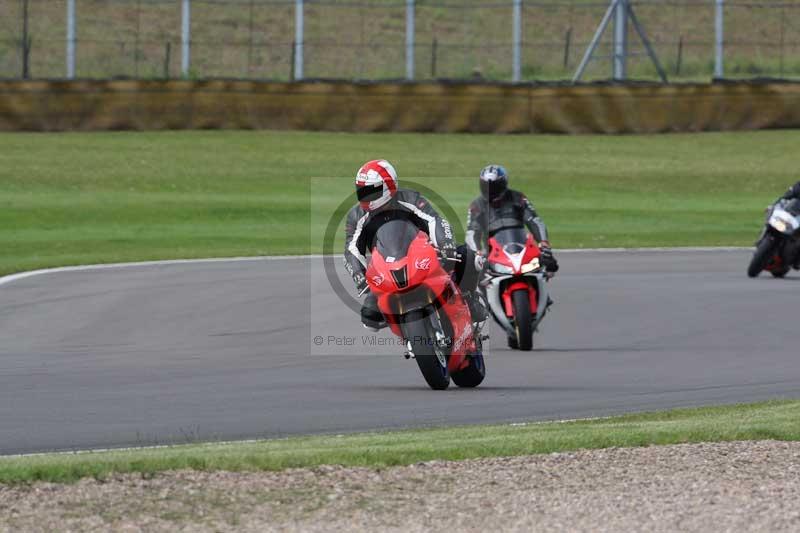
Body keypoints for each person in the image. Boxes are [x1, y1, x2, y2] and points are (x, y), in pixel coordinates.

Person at [343, 159, 486, 331]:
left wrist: (446, 244)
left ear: (388, 186)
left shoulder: (410, 198)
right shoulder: (356, 215)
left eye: (370, 191)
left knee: (468, 256)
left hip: (422, 253)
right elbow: (351, 248)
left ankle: (469, 298)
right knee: (369, 317)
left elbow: (434, 220)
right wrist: (359, 275)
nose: (366, 197)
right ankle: (407, 332)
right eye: (362, 191)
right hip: (386, 267)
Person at [465, 164, 559, 273]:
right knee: (472, 277)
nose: (490, 190)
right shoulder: (476, 206)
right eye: (486, 186)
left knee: (547, 266)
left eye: (494, 186)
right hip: (492, 255)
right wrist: (476, 252)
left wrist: (544, 243)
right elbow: (472, 232)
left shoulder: (518, 198)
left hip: (521, 249)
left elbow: (534, 221)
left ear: (502, 184)